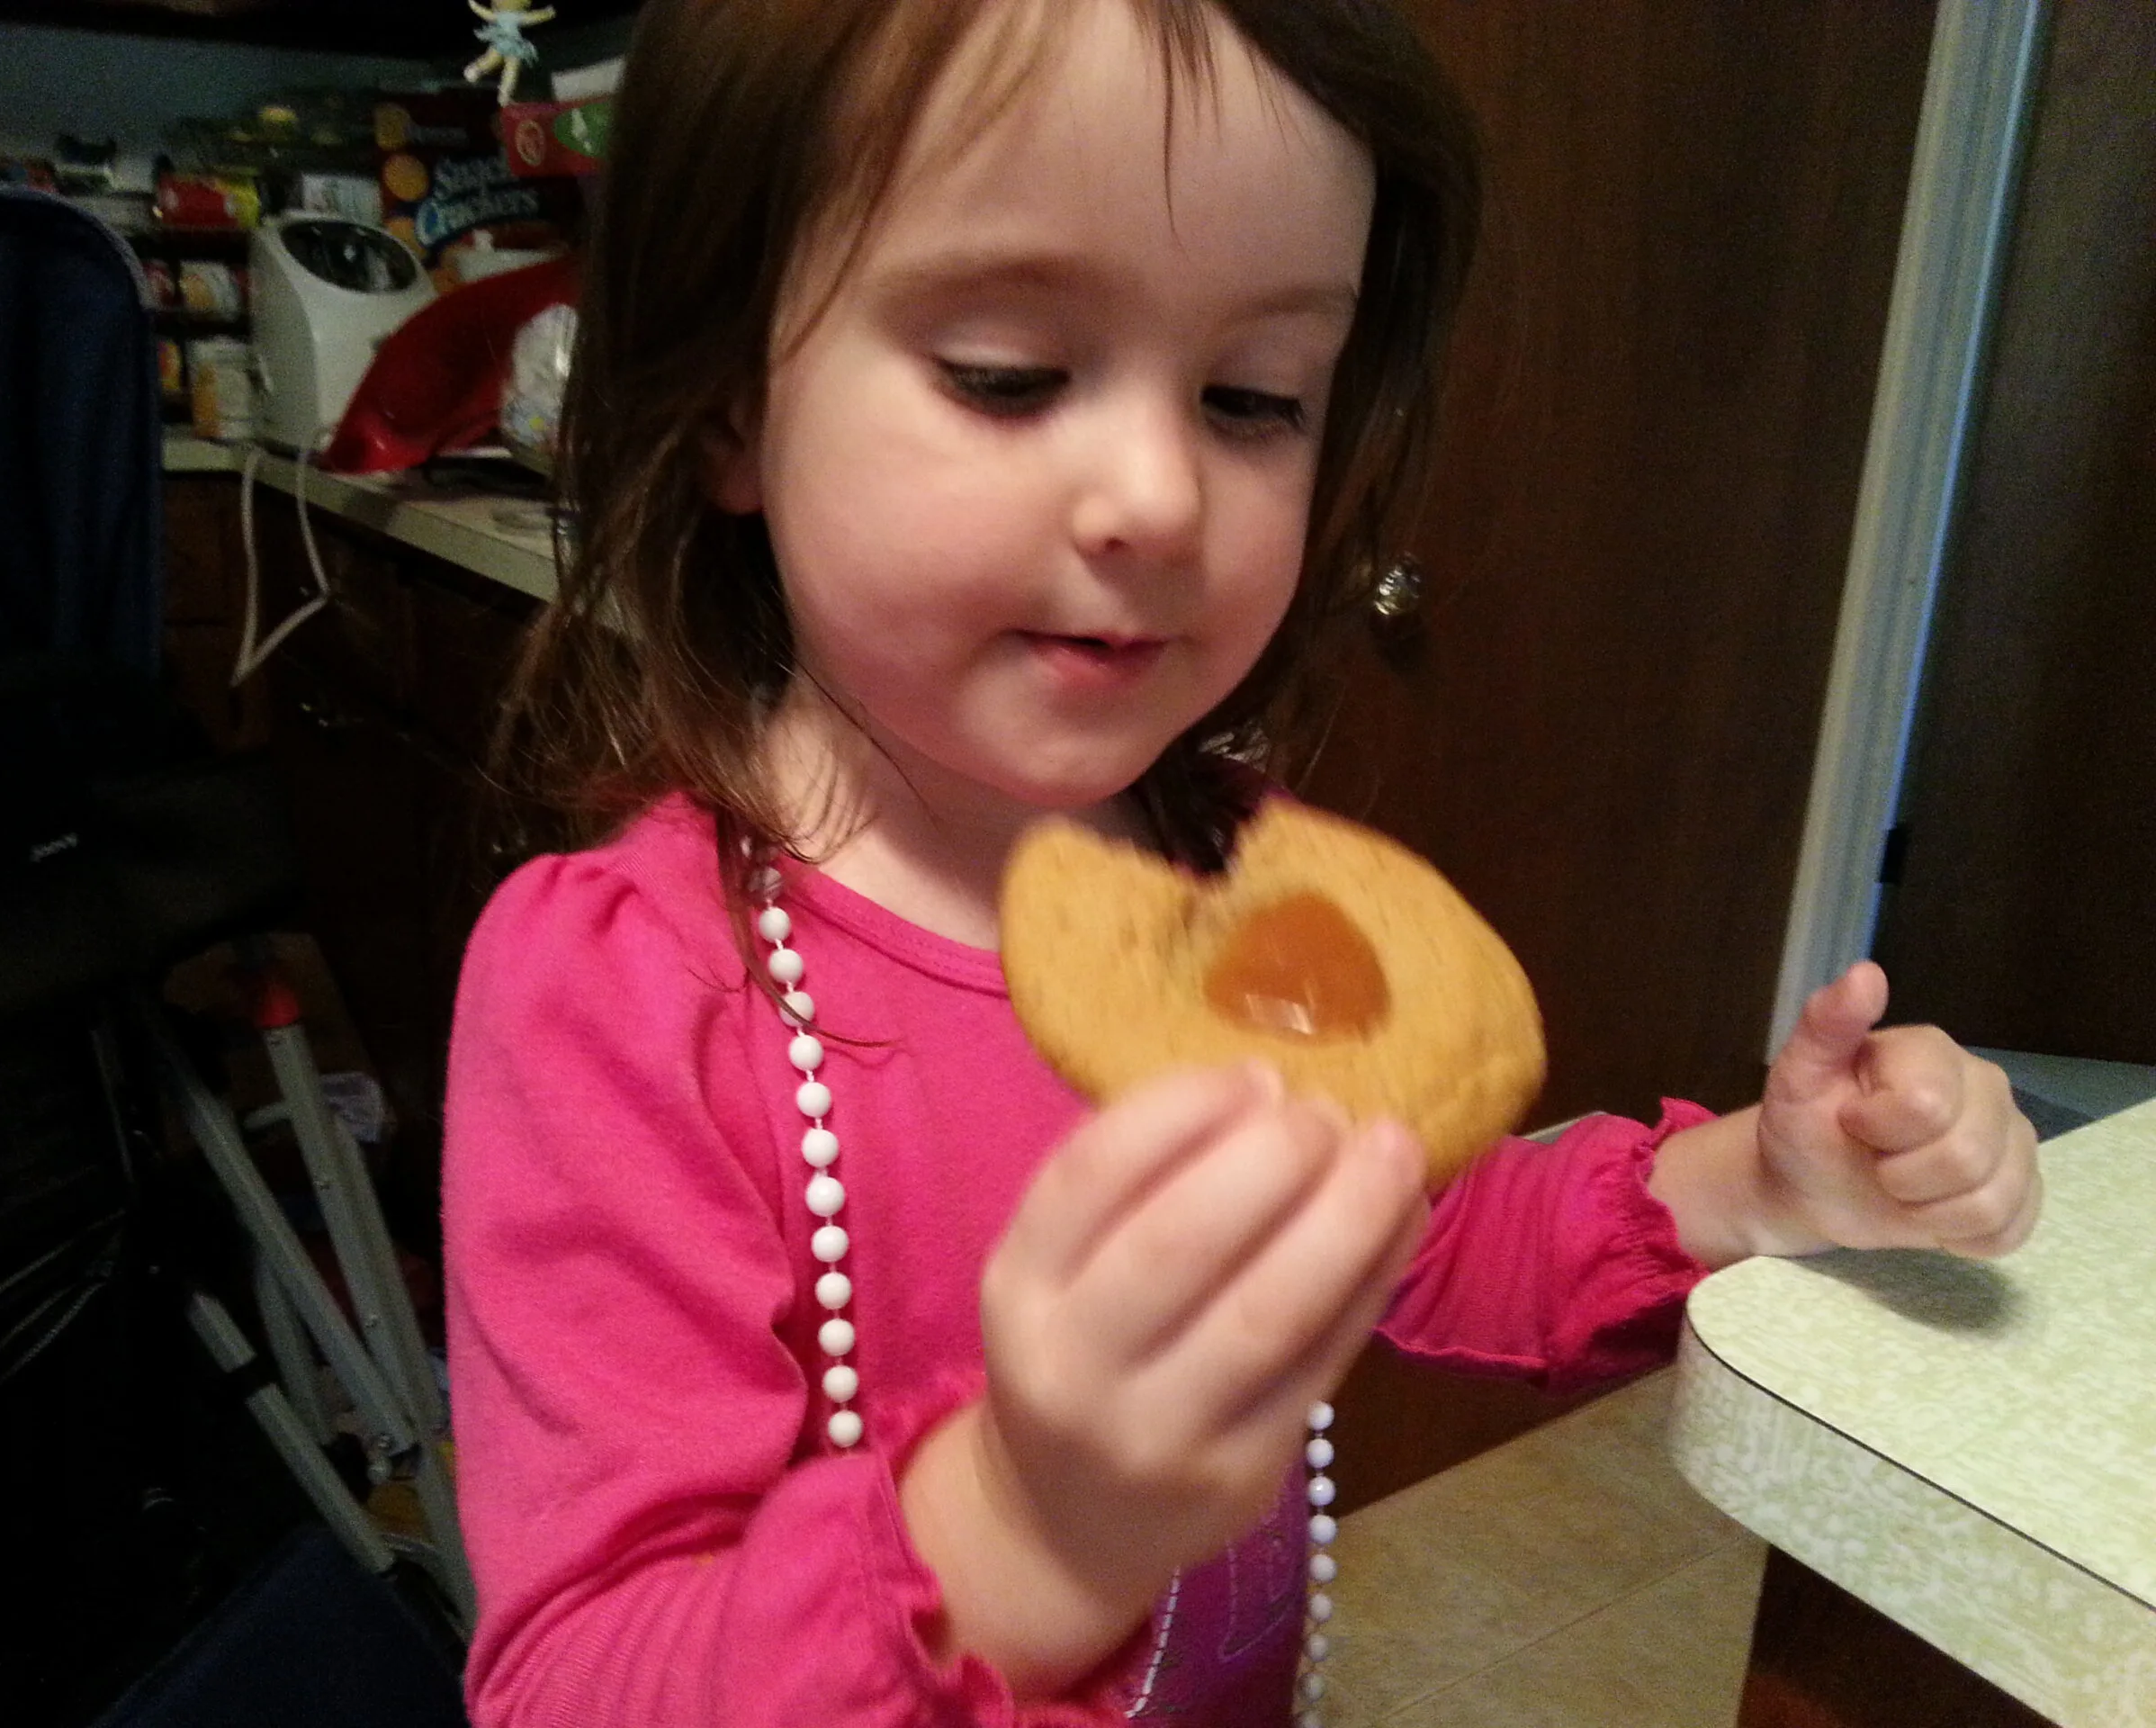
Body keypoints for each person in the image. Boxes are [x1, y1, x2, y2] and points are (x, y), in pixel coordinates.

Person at [441, 1, 2043, 1722]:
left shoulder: (1249, 885)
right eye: (1009, 373)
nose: (1158, 494)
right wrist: (1021, 1532)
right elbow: (577, 1677)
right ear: (730, 405)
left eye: (1250, 397)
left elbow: (1418, 1231)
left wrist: (1754, 1188)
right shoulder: (622, 991)